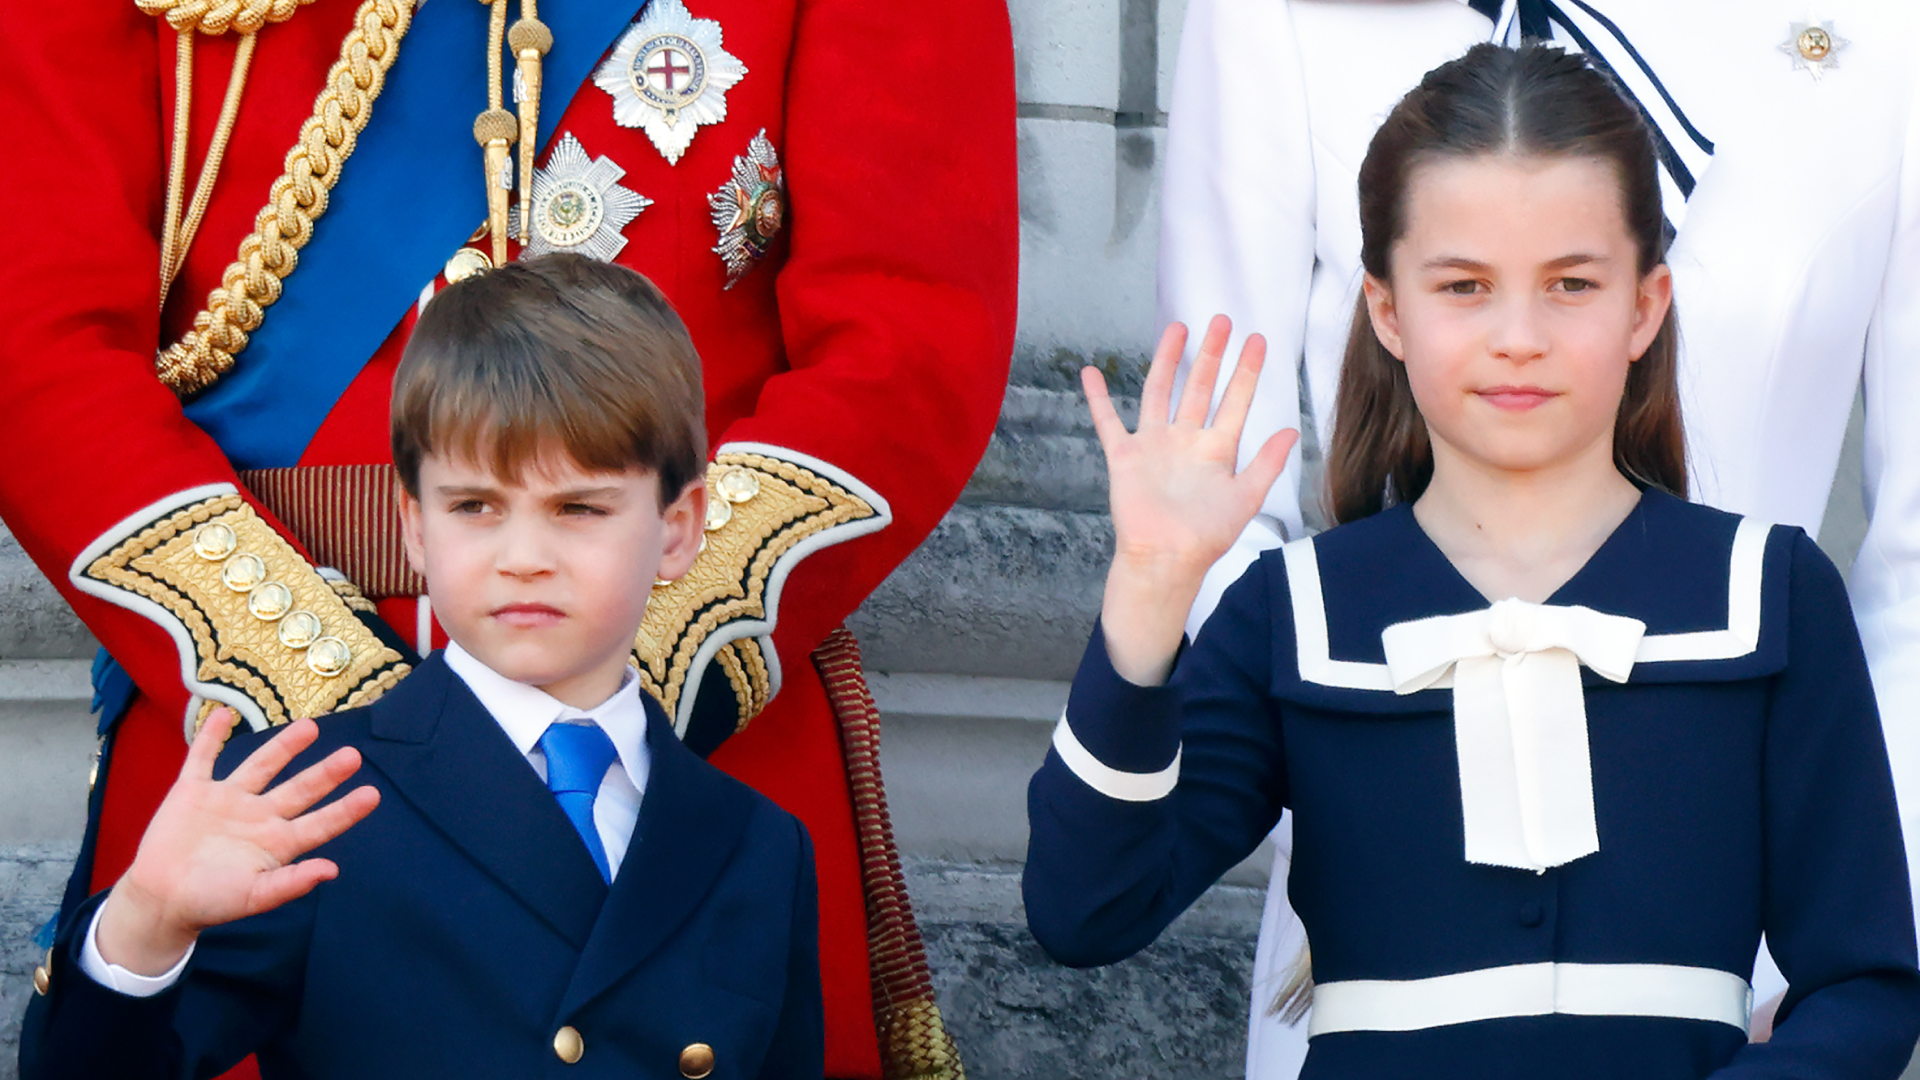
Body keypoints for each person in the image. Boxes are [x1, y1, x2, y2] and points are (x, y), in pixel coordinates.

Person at [0, 0, 1015, 1075]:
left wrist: (625, 647)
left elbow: (908, 344)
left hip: (680, 727)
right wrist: (332, 705)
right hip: (264, 748)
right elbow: (37, 341)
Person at [1027, 44, 1920, 1077]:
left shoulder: (1771, 596)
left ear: (1646, 305)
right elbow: (1085, 908)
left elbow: (1864, 987)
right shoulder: (1297, 613)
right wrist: (1150, 583)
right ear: (1387, 310)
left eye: (1570, 285)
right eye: (1464, 286)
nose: (1518, 336)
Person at [18, 255, 824, 1079]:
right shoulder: (313, 799)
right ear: (414, 525)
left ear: (679, 527)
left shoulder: (760, 848)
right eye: (475, 507)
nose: (523, 558)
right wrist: (145, 925)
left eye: (578, 508)